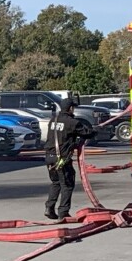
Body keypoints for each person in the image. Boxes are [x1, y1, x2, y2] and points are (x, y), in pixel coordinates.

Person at [44, 93, 95, 222]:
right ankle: (63, 212)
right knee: (67, 184)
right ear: (70, 108)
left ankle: (49, 208)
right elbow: (87, 133)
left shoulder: (53, 120)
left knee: (55, 183)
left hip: (49, 157)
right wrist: (96, 130)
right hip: (62, 159)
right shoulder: (72, 122)